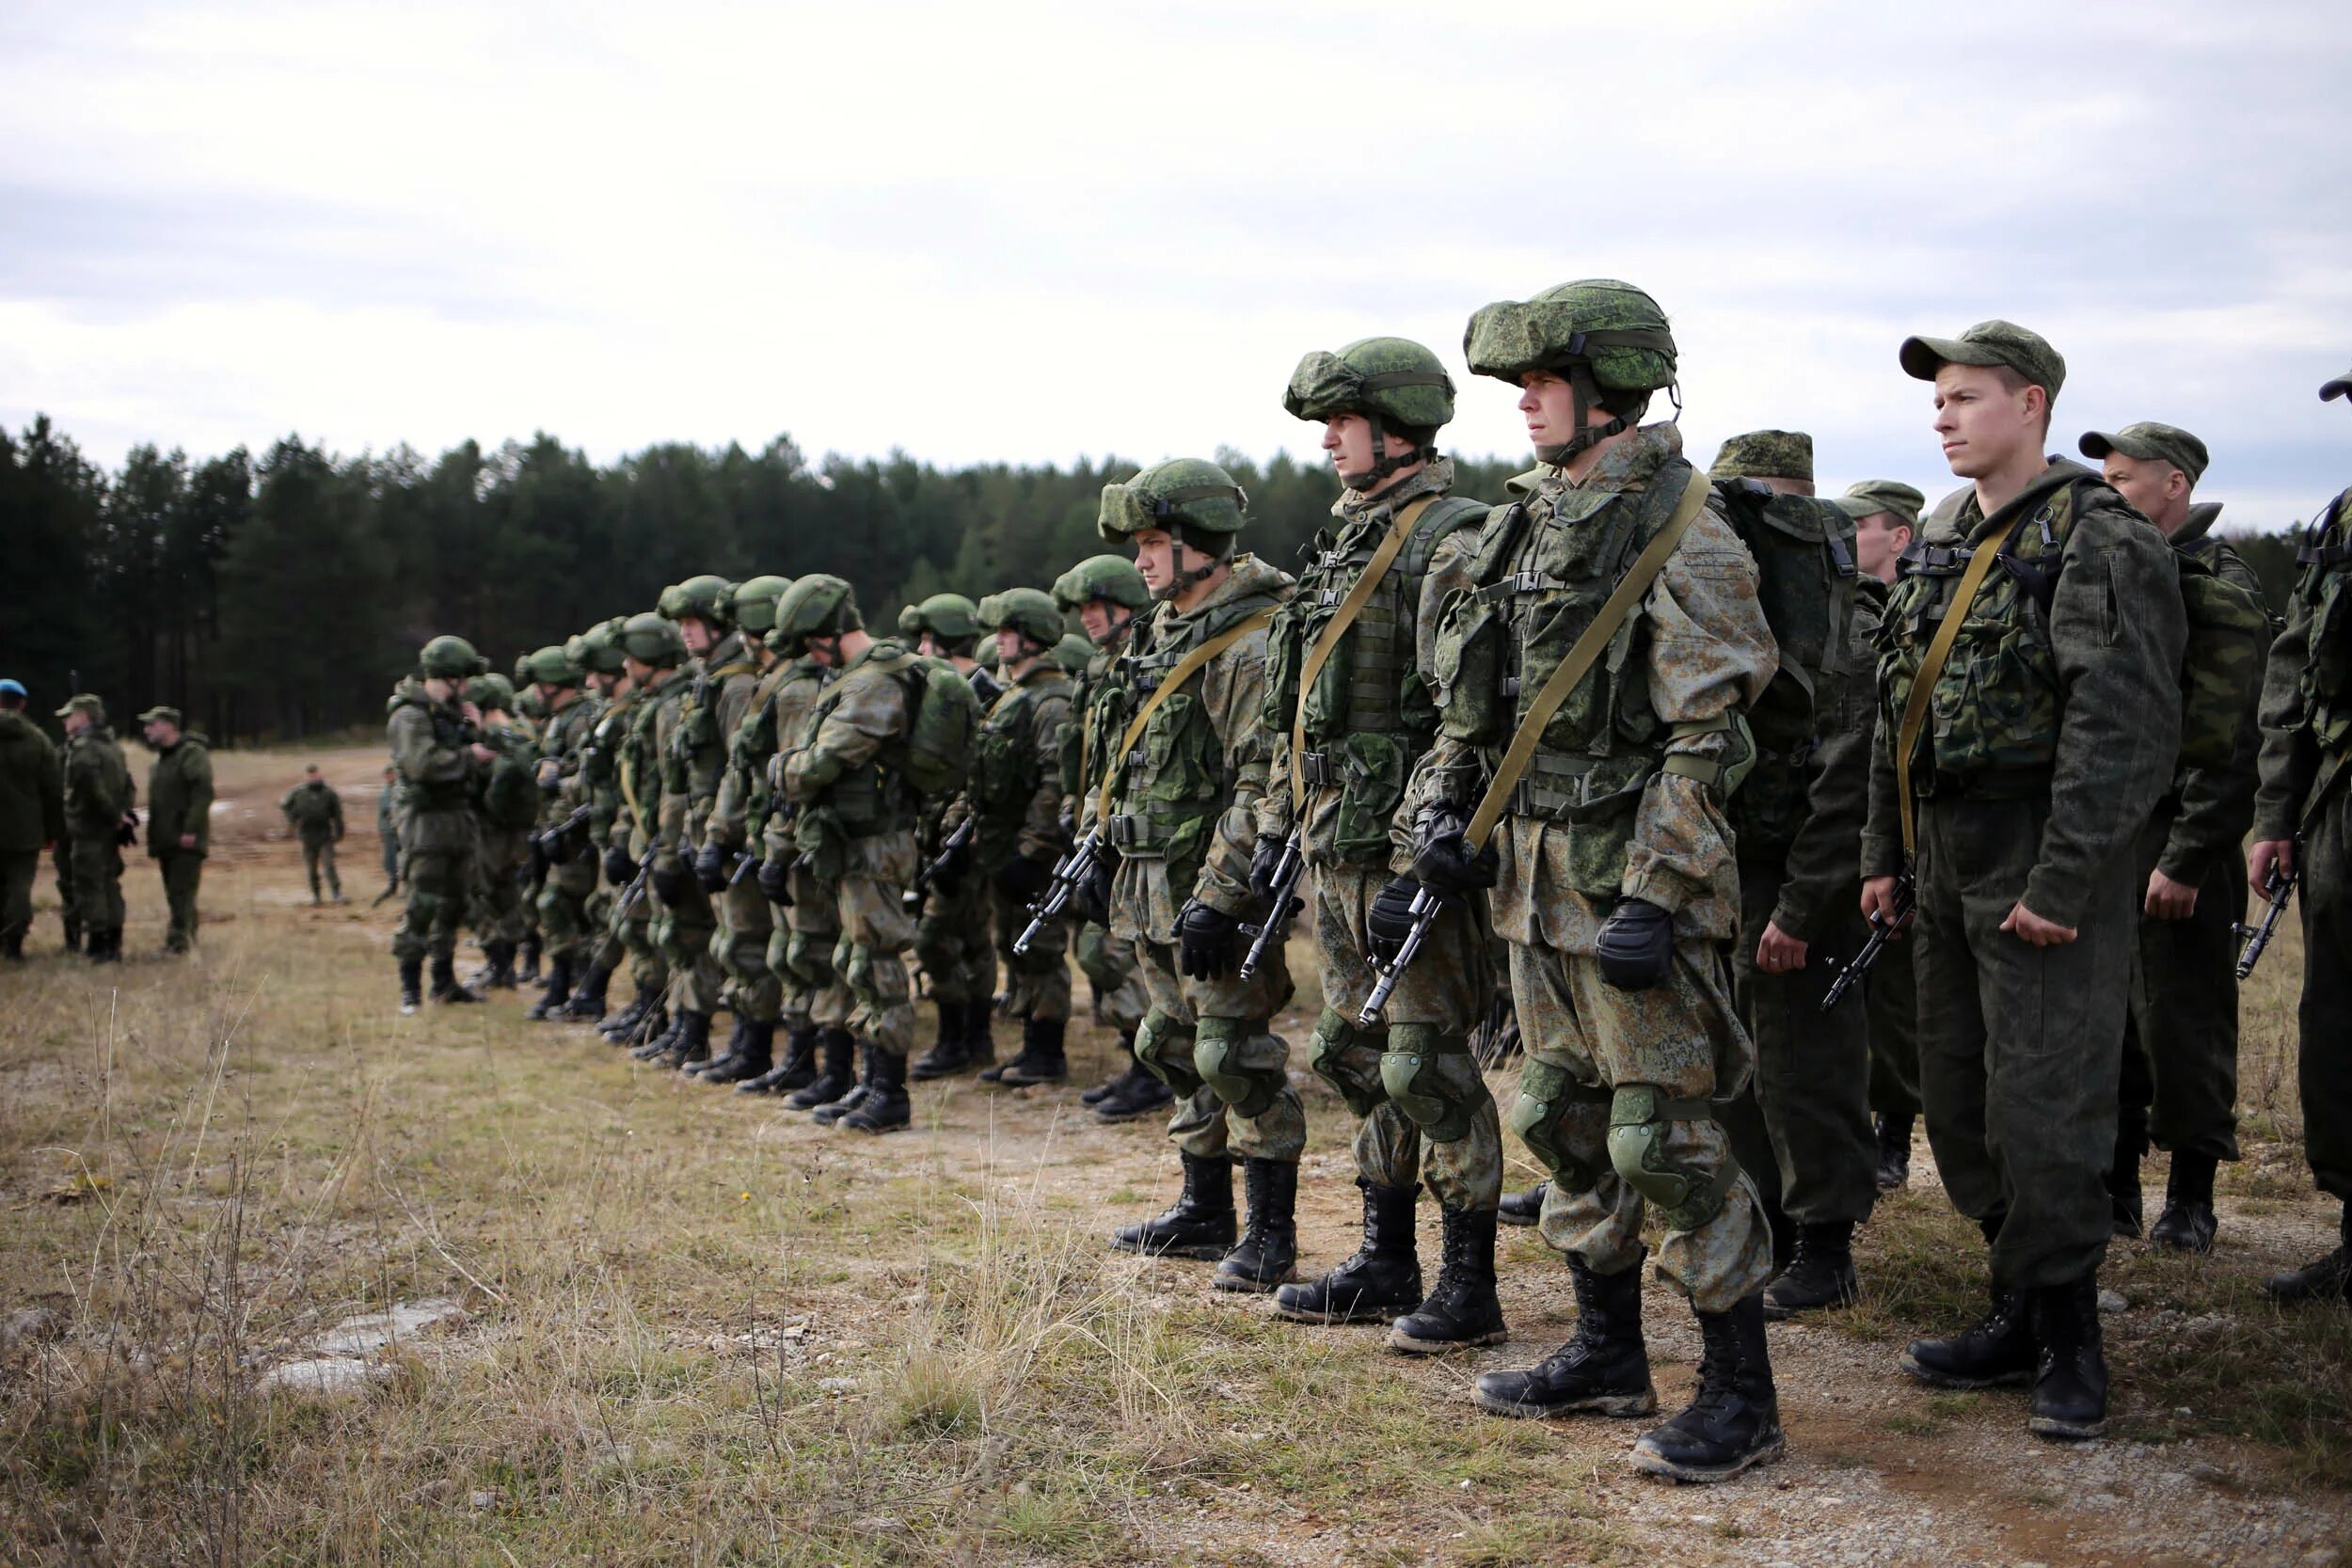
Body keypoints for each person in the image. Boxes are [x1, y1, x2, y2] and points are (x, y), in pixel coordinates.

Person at [1414, 280, 1779, 1483]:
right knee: (1556, 1118)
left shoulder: (1686, 527)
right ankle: (1607, 1350)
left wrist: (1656, 894)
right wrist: (1440, 827)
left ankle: (1740, 1392)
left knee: (1661, 1138)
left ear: (1608, 386)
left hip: (1630, 884)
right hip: (1529, 877)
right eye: (1517, 387)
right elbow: (1471, 708)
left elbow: (1707, 735)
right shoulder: (1525, 522)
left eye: (1541, 382)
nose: (1523, 405)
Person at [1864, 321, 2185, 1441]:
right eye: (1937, 401)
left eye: (1964, 397)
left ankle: (2070, 1331)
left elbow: (2125, 731)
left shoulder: (2100, 539)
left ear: (2031, 404)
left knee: (2046, 1101)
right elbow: (1896, 709)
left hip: (2040, 852)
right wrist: (1883, 855)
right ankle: (2013, 1304)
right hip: (1945, 846)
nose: (1943, 416)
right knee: (1956, 1093)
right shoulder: (1948, 531)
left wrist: (2061, 882)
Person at [1257, 336, 1503, 1353]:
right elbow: (1302, 715)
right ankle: (1386, 1252)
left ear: (1393, 427)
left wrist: (1423, 850)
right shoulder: (1350, 540)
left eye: (1339, 422)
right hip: (1338, 841)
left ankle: (1468, 1283)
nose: (1325, 441)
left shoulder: (1449, 539)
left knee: (1428, 1063)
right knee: (1354, 1051)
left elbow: (1473, 710)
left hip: (1404, 848)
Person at [1093, 459, 1304, 1291]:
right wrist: (1100, 840)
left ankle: (1272, 1231)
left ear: (1198, 544)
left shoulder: (1248, 641)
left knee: (1234, 1055)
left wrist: (1223, 894)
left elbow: (1263, 779)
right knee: (1171, 1044)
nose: (1140, 563)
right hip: (1149, 883)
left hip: (1214, 889)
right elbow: (1128, 754)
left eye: (1153, 544)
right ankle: (1204, 1206)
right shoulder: (1161, 631)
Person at [2081, 422, 2268, 1251]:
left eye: (2123, 480)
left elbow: (2230, 743)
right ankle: (2116, 1182)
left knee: (2185, 1019)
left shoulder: (2214, 587)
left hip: (2180, 833)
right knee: (2109, 1016)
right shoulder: (2128, 574)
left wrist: (2188, 854)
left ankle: (2192, 1191)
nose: (2109, 493)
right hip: (2115, 832)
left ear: (2174, 486)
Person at [1704, 433, 1877, 1322]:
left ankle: (1827, 1244)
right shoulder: (1747, 616)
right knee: (1740, 1059)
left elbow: (1848, 781)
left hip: (1803, 870)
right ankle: (1767, 1218)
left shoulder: (1842, 622)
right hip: (1739, 863)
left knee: (1808, 1062)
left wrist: (1806, 904)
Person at [2248, 364, 2352, 1305]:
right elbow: (2291, 677)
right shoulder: (2338, 521)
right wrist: (2276, 814)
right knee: (2335, 1022)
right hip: (2338, 807)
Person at [771, 575, 929, 1132]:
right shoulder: (858, 679)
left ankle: (890, 1091)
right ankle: (868, 1081)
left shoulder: (877, 683)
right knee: (853, 961)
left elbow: (823, 761)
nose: (811, 655)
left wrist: (782, 768)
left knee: (877, 960)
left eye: (811, 641)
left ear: (830, 632)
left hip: (877, 843)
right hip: (854, 841)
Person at [1832, 479, 1929, 1192]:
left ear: (1898, 536)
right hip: (1846, 824)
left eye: (1859, 525)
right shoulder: (1842, 609)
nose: (1847, 536)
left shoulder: (1920, 609)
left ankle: (1894, 1136)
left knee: (1896, 997)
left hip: (1903, 827)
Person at [944, 587, 1077, 1085]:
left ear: (1033, 637)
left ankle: (1047, 1051)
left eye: (1008, 631)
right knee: (1014, 945)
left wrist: (1031, 850)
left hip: (1032, 854)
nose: (997, 641)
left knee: (1042, 947)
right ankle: (1028, 1045)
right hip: (1001, 848)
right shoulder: (1012, 700)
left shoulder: (1052, 701)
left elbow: (1053, 781)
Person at [1053, 555, 1164, 1121]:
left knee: (1126, 957)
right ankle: (1139, 1063)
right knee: (1101, 952)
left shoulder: (1147, 661)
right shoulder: (1101, 669)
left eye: (1096, 606)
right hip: (1100, 827)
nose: (1087, 618)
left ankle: (1154, 1073)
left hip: (1136, 833)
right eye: (1082, 609)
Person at [691, 576, 798, 1085]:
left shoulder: (748, 685)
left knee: (766, 945)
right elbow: (739, 769)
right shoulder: (750, 681)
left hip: (771, 836)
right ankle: (748, 1044)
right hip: (753, 834)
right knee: (744, 944)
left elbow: (760, 768)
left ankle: (761, 1048)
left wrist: (747, 836)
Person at [901, 593, 1003, 1077]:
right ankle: (970, 1037)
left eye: (925, 639)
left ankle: (960, 1037)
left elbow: (983, 771)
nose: (920, 650)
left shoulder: (976, 694)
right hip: (939, 831)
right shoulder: (946, 691)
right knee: (965, 937)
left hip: (965, 836)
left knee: (939, 938)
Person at [389, 636, 495, 1013]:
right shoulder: (411, 716)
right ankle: (410, 989)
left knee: (454, 902)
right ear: (449, 677)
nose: (466, 687)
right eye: (463, 679)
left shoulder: (450, 715)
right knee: (422, 903)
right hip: (426, 824)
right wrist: (470, 755)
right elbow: (424, 765)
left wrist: (474, 729)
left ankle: (444, 982)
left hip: (457, 820)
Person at [521, 641, 601, 1020]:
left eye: (539, 683)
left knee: (562, 906)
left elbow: (585, 777)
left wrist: (560, 821)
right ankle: (568, 985)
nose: (535, 691)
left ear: (554, 683)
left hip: (575, 835)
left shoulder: (581, 718)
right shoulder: (560, 717)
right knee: (556, 906)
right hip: (555, 829)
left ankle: (574, 987)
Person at [464, 674, 540, 989]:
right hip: (519, 829)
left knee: (482, 897)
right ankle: (508, 964)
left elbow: (496, 776)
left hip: (494, 831)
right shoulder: (523, 730)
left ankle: (499, 965)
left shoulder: (495, 736)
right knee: (509, 897)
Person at [56, 695, 135, 964]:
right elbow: (127, 785)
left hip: (90, 828)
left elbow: (91, 788)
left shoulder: (83, 748)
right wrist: (122, 816)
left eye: (70, 715)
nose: (65, 721)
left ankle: (99, 944)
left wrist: (114, 817)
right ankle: (114, 940)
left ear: (84, 717)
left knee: (90, 885)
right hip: (108, 828)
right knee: (109, 883)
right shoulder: (113, 746)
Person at [138, 706, 211, 956]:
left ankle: (179, 944)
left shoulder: (191, 753)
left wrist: (191, 829)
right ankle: (185, 941)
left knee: (182, 893)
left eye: (152, 724)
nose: (147, 729)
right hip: (167, 838)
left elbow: (202, 792)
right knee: (176, 894)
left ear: (169, 726)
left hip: (185, 839)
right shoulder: (161, 759)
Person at [0, 679, 63, 958]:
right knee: (19, 887)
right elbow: (52, 791)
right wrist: (54, 831)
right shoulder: (38, 740)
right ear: (22, 703)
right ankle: (13, 945)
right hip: (25, 831)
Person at [280, 763, 347, 904]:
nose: (313, 777)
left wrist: (339, 832)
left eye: (315, 774)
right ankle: (316, 896)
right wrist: (293, 820)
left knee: (329, 865)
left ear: (320, 774)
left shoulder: (328, 793)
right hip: (306, 835)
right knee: (311, 868)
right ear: (306, 777)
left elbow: (337, 814)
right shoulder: (298, 792)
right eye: (310, 775)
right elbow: (285, 805)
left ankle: (337, 893)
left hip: (324, 835)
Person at [373, 765, 404, 905]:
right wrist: (381, 830)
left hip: (400, 831)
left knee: (403, 860)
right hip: (388, 832)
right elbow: (381, 814)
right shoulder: (384, 792)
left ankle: (405, 888)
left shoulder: (400, 790)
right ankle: (393, 885)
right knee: (389, 861)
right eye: (387, 775)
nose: (389, 777)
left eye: (391, 774)